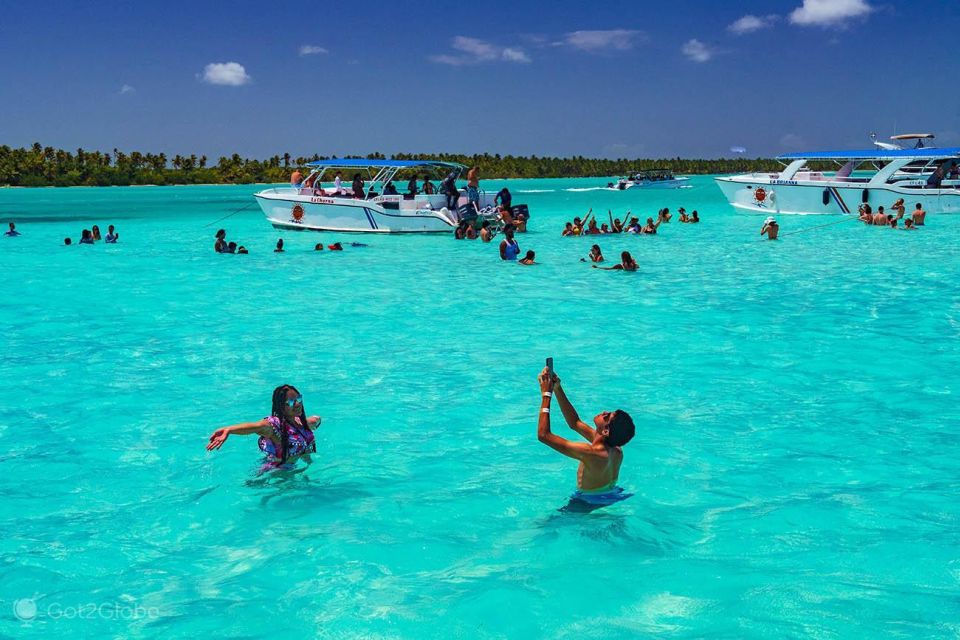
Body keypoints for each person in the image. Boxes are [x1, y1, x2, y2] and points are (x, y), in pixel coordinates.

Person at [536, 367, 635, 512]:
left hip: (587, 503)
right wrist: (557, 388)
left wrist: (546, 394)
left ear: (606, 431)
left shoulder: (591, 453)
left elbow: (543, 435)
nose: (605, 412)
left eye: (607, 417)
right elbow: (574, 422)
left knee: (543, 527)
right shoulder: (616, 449)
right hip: (612, 495)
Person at [206, 384, 321, 471]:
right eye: (291, 402)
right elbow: (256, 426)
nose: (297, 404)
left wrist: (316, 420)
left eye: (299, 399)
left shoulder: (303, 424)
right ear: (281, 406)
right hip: (276, 475)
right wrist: (229, 430)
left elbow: (316, 420)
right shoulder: (276, 428)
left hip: (297, 471)